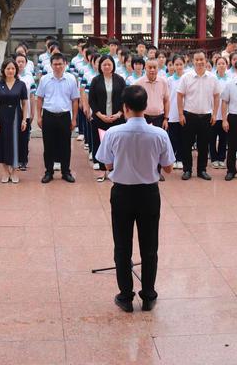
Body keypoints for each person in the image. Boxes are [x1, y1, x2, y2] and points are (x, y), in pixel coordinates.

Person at [96, 85, 175, 313]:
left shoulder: (112, 133)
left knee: (122, 247)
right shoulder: (159, 134)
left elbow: (107, 163)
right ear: (145, 107)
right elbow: (168, 168)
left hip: (122, 193)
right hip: (149, 193)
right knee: (150, 247)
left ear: (125, 107)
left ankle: (126, 296)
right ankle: (149, 295)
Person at [177, 50, 221, 180]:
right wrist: (180, 114)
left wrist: (214, 114)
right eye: (196, 60)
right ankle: (187, 170)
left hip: (206, 116)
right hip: (189, 115)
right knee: (187, 144)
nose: (199, 62)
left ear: (206, 60)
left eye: (201, 59)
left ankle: (202, 170)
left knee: (203, 145)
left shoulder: (212, 78)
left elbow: (217, 96)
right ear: (192, 61)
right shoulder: (186, 77)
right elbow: (179, 95)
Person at [37, 52, 80, 183]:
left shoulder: (71, 79)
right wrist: (39, 117)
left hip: (64, 116)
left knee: (65, 145)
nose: (58, 67)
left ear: (65, 64)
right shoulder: (45, 79)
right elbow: (39, 98)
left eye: (60, 64)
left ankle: (65, 172)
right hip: (48, 115)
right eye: (55, 64)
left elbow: (75, 100)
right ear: (51, 65)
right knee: (48, 145)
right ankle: (48, 172)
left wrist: (74, 119)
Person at [89, 55, 126, 182]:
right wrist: (99, 115)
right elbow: (91, 100)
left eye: (109, 64)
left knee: (116, 145)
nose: (106, 66)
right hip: (100, 118)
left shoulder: (120, 80)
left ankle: (115, 170)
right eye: (104, 64)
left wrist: (119, 114)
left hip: (117, 118)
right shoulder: (96, 80)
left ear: (113, 66)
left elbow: (124, 99)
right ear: (100, 66)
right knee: (100, 144)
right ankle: (102, 170)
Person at [0, 58, 28, 183]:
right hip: (2, 116)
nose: (11, 70)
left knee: (16, 142)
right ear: (4, 70)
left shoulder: (21, 84)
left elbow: (24, 103)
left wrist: (24, 120)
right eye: (8, 68)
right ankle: (5, 171)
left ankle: (15, 171)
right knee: (3, 142)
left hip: (17, 116)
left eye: (13, 68)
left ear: (16, 70)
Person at [135, 59, 170, 180]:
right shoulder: (138, 83)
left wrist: (166, 118)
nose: (152, 70)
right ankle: (143, 171)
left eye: (154, 67)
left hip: (159, 118)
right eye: (149, 67)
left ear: (158, 68)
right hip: (144, 118)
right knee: (143, 146)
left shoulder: (163, 82)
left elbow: (166, 100)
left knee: (158, 145)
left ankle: (157, 171)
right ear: (145, 68)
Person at [15, 53, 36, 170]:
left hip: (25, 113)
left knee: (24, 138)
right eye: (18, 61)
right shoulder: (10, 76)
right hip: (12, 113)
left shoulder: (29, 78)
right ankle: (14, 159)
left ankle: (23, 160)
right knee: (14, 137)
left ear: (26, 63)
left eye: (23, 61)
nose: (20, 64)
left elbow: (32, 96)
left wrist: (32, 112)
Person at [209, 57, 229, 169]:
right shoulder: (211, 78)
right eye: (219, 63)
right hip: (213, 112)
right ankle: (213, 158)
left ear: (227, 65)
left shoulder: (230, 79)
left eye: (223, 63)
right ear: (216, 65)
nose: (221, 65)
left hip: (225, 113)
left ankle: (221, 158)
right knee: (212, 137)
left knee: (223, 137)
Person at [167, 54, 185, 169]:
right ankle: (173, 158)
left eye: (180, 64)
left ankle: (181, 158)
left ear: (184, 65)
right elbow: (167, 98)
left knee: (183, 137)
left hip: (184, 113)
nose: (178, 67)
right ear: (173, 65)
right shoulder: (169, 80)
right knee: (173, 137)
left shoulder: (187, 78)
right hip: (172, 113)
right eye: (176, 64)